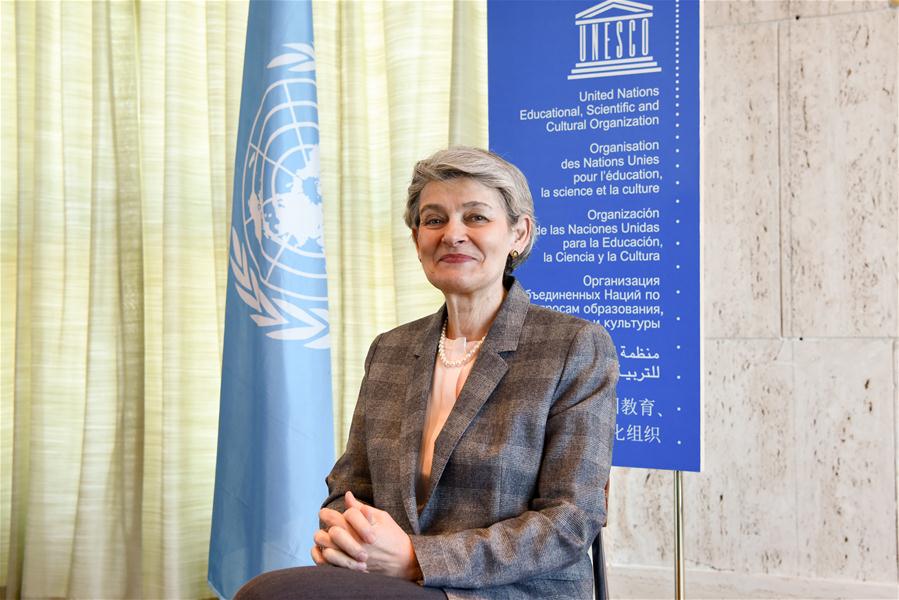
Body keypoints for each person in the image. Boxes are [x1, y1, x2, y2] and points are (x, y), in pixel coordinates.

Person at [235, 147, 618, 599]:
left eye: (476, 217)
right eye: (434, 220)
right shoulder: (391, 350)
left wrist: (417, 559)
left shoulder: (574, 345)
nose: (453, 234)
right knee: (266, 591)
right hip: (393, 583)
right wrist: (349, 538)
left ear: (519, 234)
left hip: (510, 590)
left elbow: (571, 520)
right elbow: (349, 489)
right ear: (417, 239)